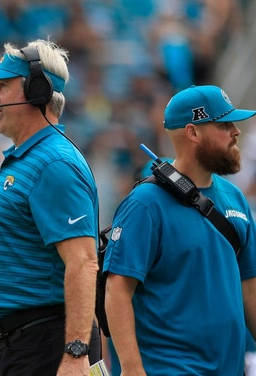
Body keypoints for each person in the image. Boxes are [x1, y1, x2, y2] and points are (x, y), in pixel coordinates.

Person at [103, 84, 256, 375]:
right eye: (225, 124)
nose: (236, 131)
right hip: (171, 369)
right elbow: (117, 290)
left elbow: (251, 290)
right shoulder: (145, 204)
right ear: (193, 132)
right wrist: (132, 369)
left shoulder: (235, 198)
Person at [0, 39, 101, 376]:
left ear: (38, 90)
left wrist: (75, 353)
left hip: (49, 344)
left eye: (1, 85)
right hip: (26, 342)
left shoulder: (53, 162)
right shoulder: (30, 159)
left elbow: (83, 262)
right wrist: (2, 343)